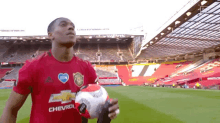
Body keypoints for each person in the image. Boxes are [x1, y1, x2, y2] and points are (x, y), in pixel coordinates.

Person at [0, 17, 119, 123]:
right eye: (63, 24)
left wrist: (105, 115)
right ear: (50, 34)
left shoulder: (87, 68)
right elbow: (11, 109)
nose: (71, 27)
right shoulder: (32, 67)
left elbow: (90, 111)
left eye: (73, 26)